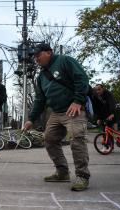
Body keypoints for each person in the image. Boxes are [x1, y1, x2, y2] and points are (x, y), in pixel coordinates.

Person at [23, 43, 90, 191]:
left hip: (73, 110)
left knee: (77, 139)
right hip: (56, 112)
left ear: (49, 52)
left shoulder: (65, 61)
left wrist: (78, 100)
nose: (36, 59)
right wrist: (31, 119)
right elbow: (40, 100)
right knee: (49, 139)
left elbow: (82, 79)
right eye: (34, 56)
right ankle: (62, 172)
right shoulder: (41, 77)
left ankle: (82, 176)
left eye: (38, 55)